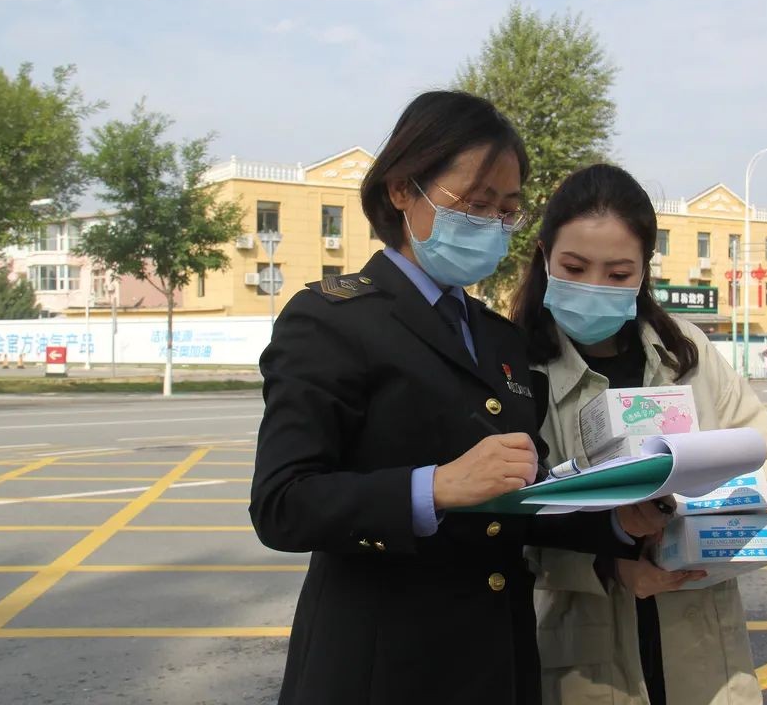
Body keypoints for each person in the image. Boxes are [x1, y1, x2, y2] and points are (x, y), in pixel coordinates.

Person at [250, 92, 665, 705]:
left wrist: (616, 523)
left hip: (498, 664)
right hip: (381, 670)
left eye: (508, 209)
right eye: (475, 204)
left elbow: (516, 497)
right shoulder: (332, 319)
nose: (492, 224)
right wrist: (434, 486)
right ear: (400, 189)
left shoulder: (497, 336)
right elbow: (283, 504)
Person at [510, 164, 767, 705]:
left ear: (643, 270)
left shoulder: (685, 349)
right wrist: (607, 563)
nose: (595, 287)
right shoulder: (517, 366)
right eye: (575, 266)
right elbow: (509, 519)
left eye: (617, 274)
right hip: (587, 657)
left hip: (704, 639)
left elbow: (761, 453)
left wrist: (732, 511)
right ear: (545, 256)